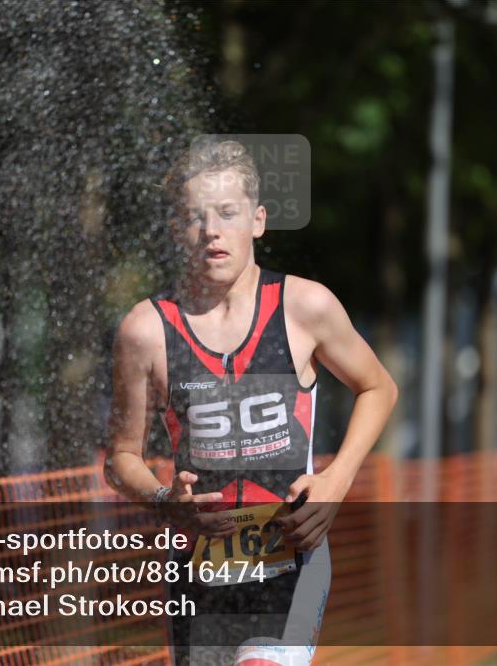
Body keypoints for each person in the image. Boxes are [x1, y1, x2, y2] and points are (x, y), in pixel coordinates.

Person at [104, 139, 398, 665]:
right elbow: (120, 459)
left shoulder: (305, 306)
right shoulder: (146, 330)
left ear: (258, 221)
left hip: (291, 556)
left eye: (228, 213)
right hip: (196, 567)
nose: (211, 230)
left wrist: (335, 482)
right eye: (195, 217)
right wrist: (165, 502)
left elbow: (378, 387)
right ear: (177, 230)